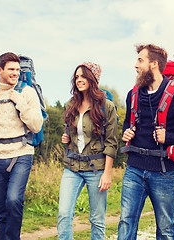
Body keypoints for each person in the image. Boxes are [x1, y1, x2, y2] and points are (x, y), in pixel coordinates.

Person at [118, 44, 174, 240]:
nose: (135, 65)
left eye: (140, 60)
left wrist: (169, 138)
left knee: (165, 227)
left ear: (154, 64)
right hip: (133, 169)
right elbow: (125, 123)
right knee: (125, 222)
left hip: (164, 171)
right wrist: (126, 133)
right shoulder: (133, 95)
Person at [0, 52, 43, 240]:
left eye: (18, 70)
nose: (15, 73)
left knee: (13, 200)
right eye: (11, 69)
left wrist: (21, 104)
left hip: (21, 153)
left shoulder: (27, 92)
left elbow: (36, 125)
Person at [58, 62, 118, 240]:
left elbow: (111, 142)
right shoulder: (70, 104)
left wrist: (107, 173)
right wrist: (66, 137)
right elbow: (72, 132)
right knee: (63, 214)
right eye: (76, 77)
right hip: (72, 167)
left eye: (83, 76)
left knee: (97, 219)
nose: (79, 80)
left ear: (93, 78)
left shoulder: (106, 106)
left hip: (96, 169)